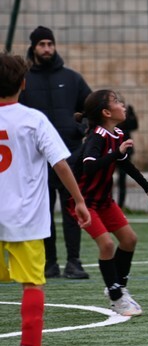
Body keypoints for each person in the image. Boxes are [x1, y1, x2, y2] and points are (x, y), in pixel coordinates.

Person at [0, 53, 91, 346]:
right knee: (33, 283)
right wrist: (78, 200)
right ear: (23, 84)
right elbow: (61, 164)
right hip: (24, 220)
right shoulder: (33, 119)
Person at [69, 90, 148, 316]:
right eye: (117, 102)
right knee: (107, 245)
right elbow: (89, 166)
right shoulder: (96, 136)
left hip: (104, 201)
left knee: (129, 240)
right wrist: (116, 153)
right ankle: (116, 296)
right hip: (83, 202)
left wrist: (147, 186)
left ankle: (119, 287)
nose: (123, 105)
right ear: (106, 112)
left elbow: (125, 164)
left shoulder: (117, 134)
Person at [18, 26, 92, 280]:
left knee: (73, 210)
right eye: (42, 44)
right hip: (37, 160)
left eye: (50, 43)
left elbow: (91, 107)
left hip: (70, 155)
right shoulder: (24, 80)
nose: (47, 48)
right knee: (43, 213)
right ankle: (49, 262)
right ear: (33, 47)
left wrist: (80, 128)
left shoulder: (72, 79)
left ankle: (74, 262)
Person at [116, 104, 139, 209]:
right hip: (112, 151)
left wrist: (131, 115)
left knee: (122, 178)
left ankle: (120, 205)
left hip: (125, 152)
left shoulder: (126, 116)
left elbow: (134, 126)